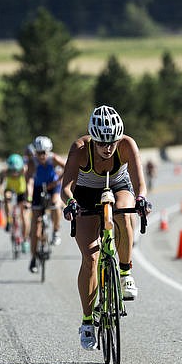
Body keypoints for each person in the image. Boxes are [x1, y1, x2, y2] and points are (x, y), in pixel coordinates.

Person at [61, 105, 151, 351]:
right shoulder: (80, 149)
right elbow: (66, 188)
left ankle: (124, 273)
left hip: (119, 186)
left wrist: (142, 199)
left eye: (112, 141)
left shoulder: (126, 145)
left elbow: (139, 183)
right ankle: (88, 321)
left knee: (123, 213)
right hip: (86, 195)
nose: (108, 148)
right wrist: (70, 204)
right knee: (90, 257)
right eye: (102, 143)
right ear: (93, 139)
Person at [26, 135, 66, 273]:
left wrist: (57, 182)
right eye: (38, 153)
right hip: (38, 188)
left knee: (55, 203)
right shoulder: (33, 162)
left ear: (48, 152)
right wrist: (29, 197)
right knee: (35, 231)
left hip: (53, 185)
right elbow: (29, 180)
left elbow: (67, 168)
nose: (41, 156)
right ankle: (33, 258)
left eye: (43, 153)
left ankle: (56, 231)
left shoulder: (53, 159)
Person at [0, 154, 30, 249]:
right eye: (12, 171)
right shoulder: (4, 172)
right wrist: (0, 196)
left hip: (22, 192)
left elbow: (29, 183)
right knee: (6, 197)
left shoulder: (24, 170)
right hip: (10, 190)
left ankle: (25, 239)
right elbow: (0, 185)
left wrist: (29, 198)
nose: (14, 173)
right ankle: (8, 219)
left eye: (17, 171)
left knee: (24, 216)